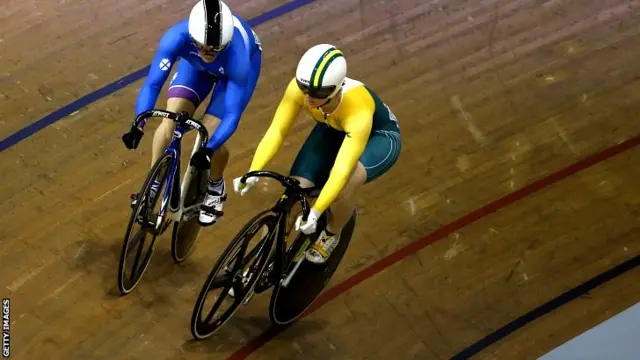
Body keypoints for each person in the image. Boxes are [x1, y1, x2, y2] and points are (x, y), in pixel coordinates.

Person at [233, 44, 402, 264]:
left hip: (377, 139)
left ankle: (331, 233)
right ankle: (265, 254)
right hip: (333, 128)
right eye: (305, 89)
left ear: (336, 88)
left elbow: (341, 170)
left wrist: (317, 210)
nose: (309, 98)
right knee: (294, 189)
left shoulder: (358, 108)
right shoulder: (298, 90)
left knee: (345, 185)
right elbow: (278, 130)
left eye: (318, 93)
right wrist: (254, 170)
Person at [121, 0, 263, 226]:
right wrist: (139, 123)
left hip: (231, 74)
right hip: (195, 68)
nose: (208, 53)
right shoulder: (176, 38)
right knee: (169, 119)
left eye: (215, 48)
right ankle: (152, 187)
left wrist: (208, 149)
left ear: (224, 43)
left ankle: (216, 185)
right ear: (192, 37)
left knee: (208, 132)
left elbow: (232, 114)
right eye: (203, 47)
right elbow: (152, 84)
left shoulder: (238, 58)